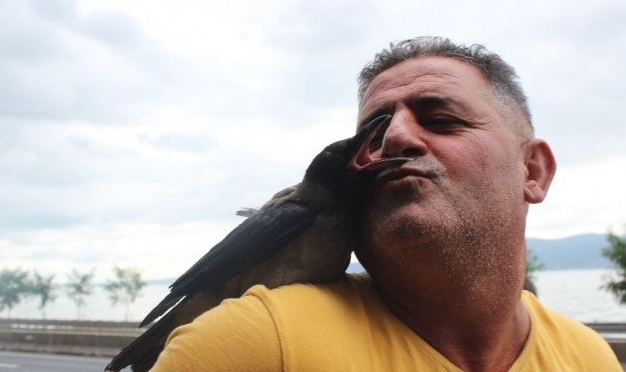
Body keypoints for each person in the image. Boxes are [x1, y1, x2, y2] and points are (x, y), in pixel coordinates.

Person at [149, 37, 620, 371]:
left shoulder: (589, 358)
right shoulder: (250, 343)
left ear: (532, 171)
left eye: (441, 119)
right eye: (376, 133)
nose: (394, 137)